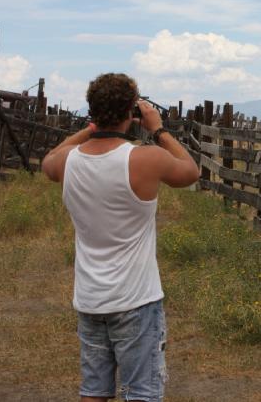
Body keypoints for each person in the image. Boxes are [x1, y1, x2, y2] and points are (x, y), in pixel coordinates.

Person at [41, 73, 200, 402]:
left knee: (94, 391)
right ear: (132, 111)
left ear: (92, 112)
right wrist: (158, 130)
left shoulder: (67, 162)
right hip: (135, 299)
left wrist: (91, 129)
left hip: (89, 297)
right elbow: (190, 171)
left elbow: (48, 159)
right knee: (142, 392)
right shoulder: (144, 158)